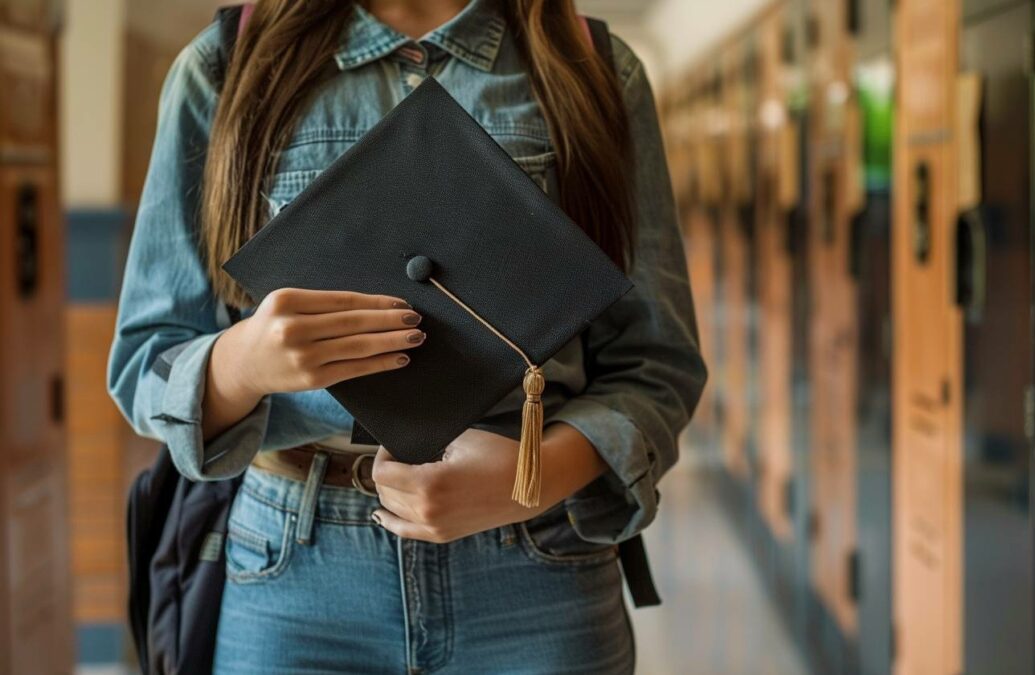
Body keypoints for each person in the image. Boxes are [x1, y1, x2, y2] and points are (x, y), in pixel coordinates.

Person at [107, 0, 707, 672]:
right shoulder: (224, 66)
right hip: (294, 575)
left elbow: (658, 363)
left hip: (537, 573)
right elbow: (146, 360)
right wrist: (243, 363)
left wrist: (537, 476)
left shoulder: (593, 68)